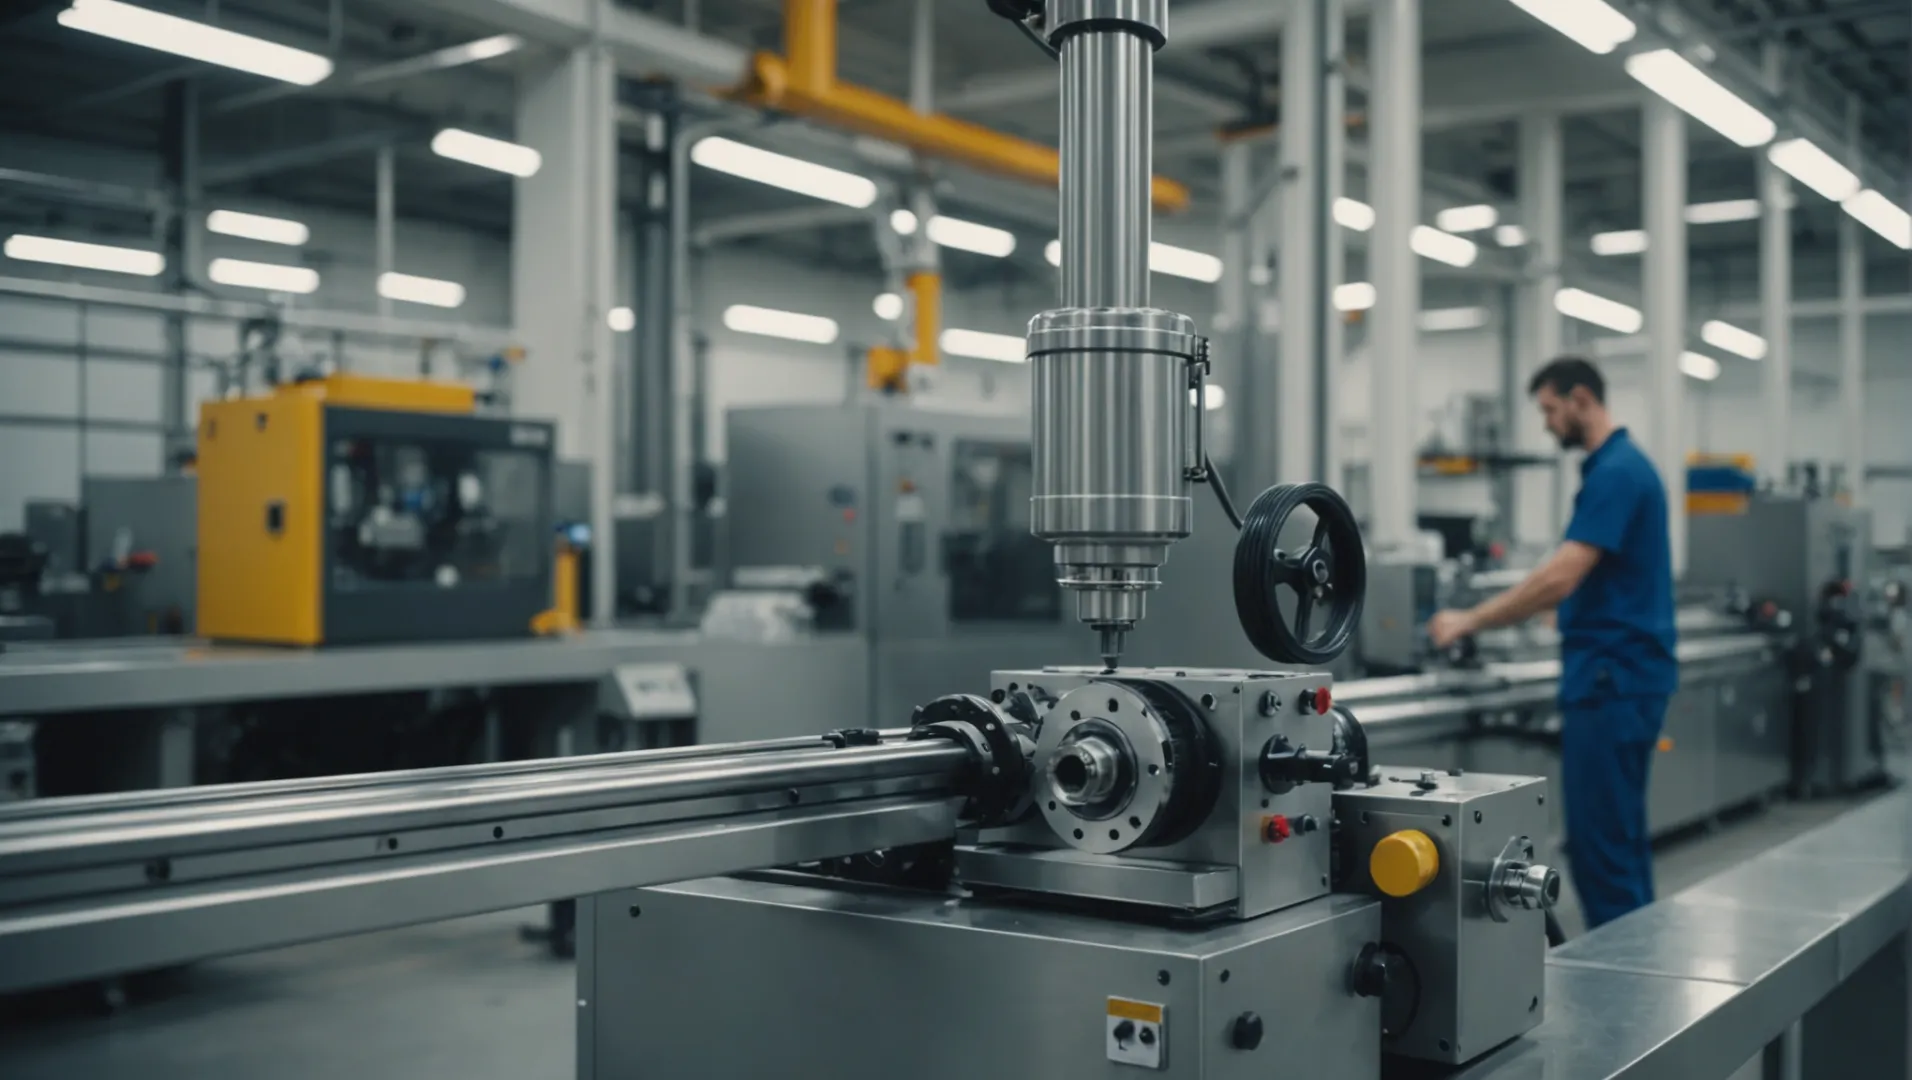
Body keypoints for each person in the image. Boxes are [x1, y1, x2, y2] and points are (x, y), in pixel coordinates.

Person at [1427, 356, 1677, 929]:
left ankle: (1625, 988)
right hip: (1626, 677)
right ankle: (1642, 957)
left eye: (1549, 409)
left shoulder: (1615, 472)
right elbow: (1592, 579)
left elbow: (1560, 576)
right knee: (1622, 838)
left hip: (1610, 681)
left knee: (1600, 849)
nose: (1545, 424)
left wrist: (1468, 621)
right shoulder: (1624, 467)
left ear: (1580, 399)